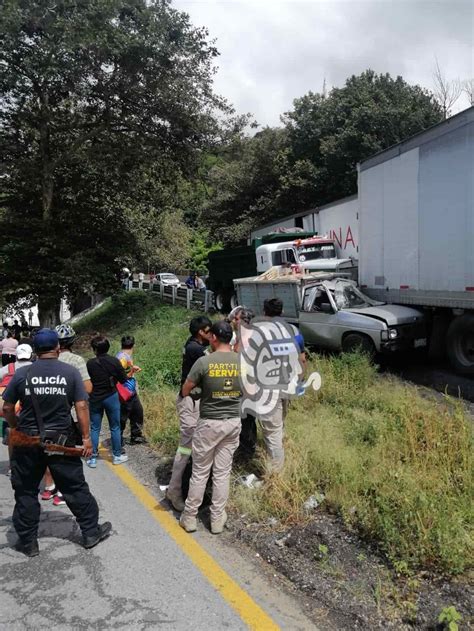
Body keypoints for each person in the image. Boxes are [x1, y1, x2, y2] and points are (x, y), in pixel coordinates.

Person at [2, 328, 111, 556]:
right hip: (61, 439)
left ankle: (28, 542)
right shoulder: (70, 373)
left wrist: (15, 426)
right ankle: (90, 532)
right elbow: (82, 406)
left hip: (27, 440)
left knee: (26, 490)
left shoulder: (23, 375)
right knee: (74, 486)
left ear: (35, 350)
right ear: (58, 348)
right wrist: (86, 439)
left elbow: (7, 407)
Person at [179, 321, 242, 535]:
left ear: (213, 338)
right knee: (222, 473)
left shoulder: (204, 362)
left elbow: (186, 390)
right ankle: (216, 520)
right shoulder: (242, 362)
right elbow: (250, 391)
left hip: (209, 423)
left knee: (200, 472)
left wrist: (203, 392)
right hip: (233, 422)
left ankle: (189, 517)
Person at [40, 324, 93, 507]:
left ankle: (48, 487)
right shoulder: (77, 361)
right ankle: (62, 492)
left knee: (48, 450)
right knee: (67, 454)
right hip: (69, 415)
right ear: (72, 341)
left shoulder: (43, 361)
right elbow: (87, 389)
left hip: (45, 414)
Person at [166, 316, 212, 512]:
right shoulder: (197, 349)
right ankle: (175, 491)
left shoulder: (194, 345)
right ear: (201, 332)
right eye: (210, 331)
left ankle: (189, 489)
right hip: (189, 403)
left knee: (194, 447)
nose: (212, 335)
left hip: (195, 402)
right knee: (186, 447)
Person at [257, 298, 306, 471]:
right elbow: (302, 359)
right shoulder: (293, 329)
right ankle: (283, 455)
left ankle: (276, 474)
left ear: (264, 312)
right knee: (280, 423)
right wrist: (300, 381)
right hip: (289, 383)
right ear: (282, 312)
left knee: (272, 432)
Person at [86, 335, 129, 467]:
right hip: (111, 396)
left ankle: (93, 458)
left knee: (94, 427)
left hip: (95, 398)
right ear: (108, 347)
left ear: (94, 350)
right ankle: (116, 456)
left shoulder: (90, 363)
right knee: (115, 427)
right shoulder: (114, 361)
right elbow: (124, 380)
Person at [229, 307, 258, 463]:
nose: (233, 321)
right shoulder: (238, 337)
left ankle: (247, 454)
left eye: (236, 319)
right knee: (242, 421)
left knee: (247, 421)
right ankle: (243, 449)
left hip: (248, 387)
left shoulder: (251, 340)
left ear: (244, 321)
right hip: (238, 386)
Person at [116, 335, 145, 446]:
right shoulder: (122, 359)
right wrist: (132, 371)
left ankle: (136, 436)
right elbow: (121, 376)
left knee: (137, 412)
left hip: (130, 391)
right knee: (122, 417)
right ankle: (118, 440)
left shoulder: (124, 356)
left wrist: (132, 369)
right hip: (125, 392)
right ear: (134, 345)